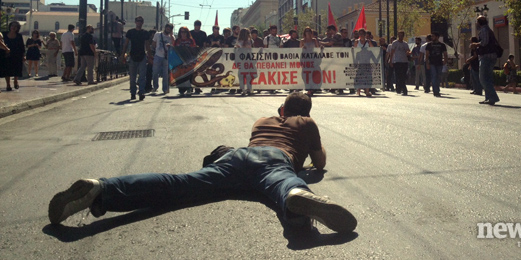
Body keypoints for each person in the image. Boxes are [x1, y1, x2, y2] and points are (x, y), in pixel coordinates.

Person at [47, 92, 357, 233]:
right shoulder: (305, 121)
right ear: (306, 111)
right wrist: (307, 147)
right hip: (275, 160)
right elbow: (319, 162)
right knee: (283, 182)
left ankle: (102, 188)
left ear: (281, 107)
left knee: (182, 183)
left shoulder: (263, 119)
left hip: (238, 156)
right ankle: (295, 199)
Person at [471, 16, 499, 105]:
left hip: (486, 56)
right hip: (491, 56)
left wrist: (475, 44)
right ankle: (488, 98)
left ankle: (493, 97)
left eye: (477, 22)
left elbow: (484, 42)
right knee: (488, 78)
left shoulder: (484, 30)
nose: (476, 24)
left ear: (479, 23)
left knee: (483, 78)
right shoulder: (489, 30)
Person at [122, 16, 150, 101]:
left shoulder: (145, 33)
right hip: (132, 56)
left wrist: (150, 56)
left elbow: (147, 45)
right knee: (132, 77)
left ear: (142, 23)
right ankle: (133, 93)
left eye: (141, 21)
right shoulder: (130, 32)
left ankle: (141, 92)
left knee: (142, 76)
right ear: (135, 22)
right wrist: (123, 55)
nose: (139, 22)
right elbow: (126, 44)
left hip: (142, 56)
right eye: (138, 21)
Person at [152, 24, 175, 95]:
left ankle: (165, 88)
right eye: (167, 28)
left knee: (165, 74)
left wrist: (171, 35)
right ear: (165, 28)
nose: (168, 30)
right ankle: (155, 86)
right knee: (155, 72)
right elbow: (154, 43)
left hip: (166, 57)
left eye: (170, 29)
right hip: (158, 55)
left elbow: (174, 44)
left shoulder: (171, 37)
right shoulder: (158, 34)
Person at [2, 21, 25, 91]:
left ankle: (15, 81)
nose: (13, 27)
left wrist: (23, 56)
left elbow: (22, 47)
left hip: (16, 54)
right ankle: (8, 84)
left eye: (15, 26)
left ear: (17, 28)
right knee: (7, 70)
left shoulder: (19, 36)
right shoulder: (4, 34)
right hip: (6, 54)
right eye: (12, 26)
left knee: (16, 69)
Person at [425, 32, 447, 97]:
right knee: (434, 76)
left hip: (439, 63)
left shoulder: (442, 45)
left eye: (433, 36)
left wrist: (445, 60)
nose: (432, 38)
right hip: (432, 63)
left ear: (437, 37)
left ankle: (437, 89)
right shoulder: (429, 45)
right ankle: (436, 91)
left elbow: (445, 53)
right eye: (431, 36)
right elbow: (427, 55)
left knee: (438, 77)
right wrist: (427, 63)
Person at [390, 31, 410, 96]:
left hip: (404, 61)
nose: (401, 37)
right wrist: (391, 61)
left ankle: (399, 88)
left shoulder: (405, 43)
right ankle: (403, 89)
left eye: (402, 35)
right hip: (397, 61)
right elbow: (392, 52)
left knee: (403, 76)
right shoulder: (395, 43)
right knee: (398, 75)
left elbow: (408, 50)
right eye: (400, 35)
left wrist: (408, 52)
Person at [235, 28, 254, 96]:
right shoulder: (240, 41)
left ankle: (246, 88)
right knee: (244, 74)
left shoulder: (250, 41)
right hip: (244, 58)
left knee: (245, 74)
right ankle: (246, 89)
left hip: (246, 58)